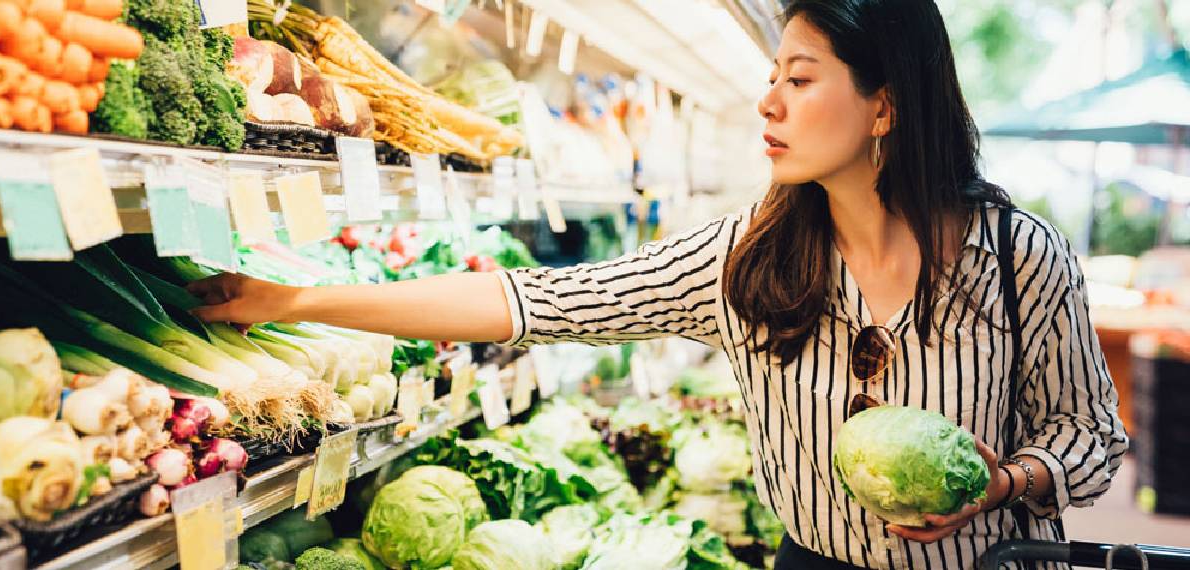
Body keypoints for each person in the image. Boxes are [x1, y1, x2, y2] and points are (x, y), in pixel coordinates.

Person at [188, 0, 1127, 568]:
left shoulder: (1018, 257)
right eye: (771, 78)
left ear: (884, 105)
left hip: (995, 563)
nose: (768, 103)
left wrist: (1003, 479)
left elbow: (1090, 435)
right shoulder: (746, 263)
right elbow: (531, 304)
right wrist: (291, 302)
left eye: (800, 80)